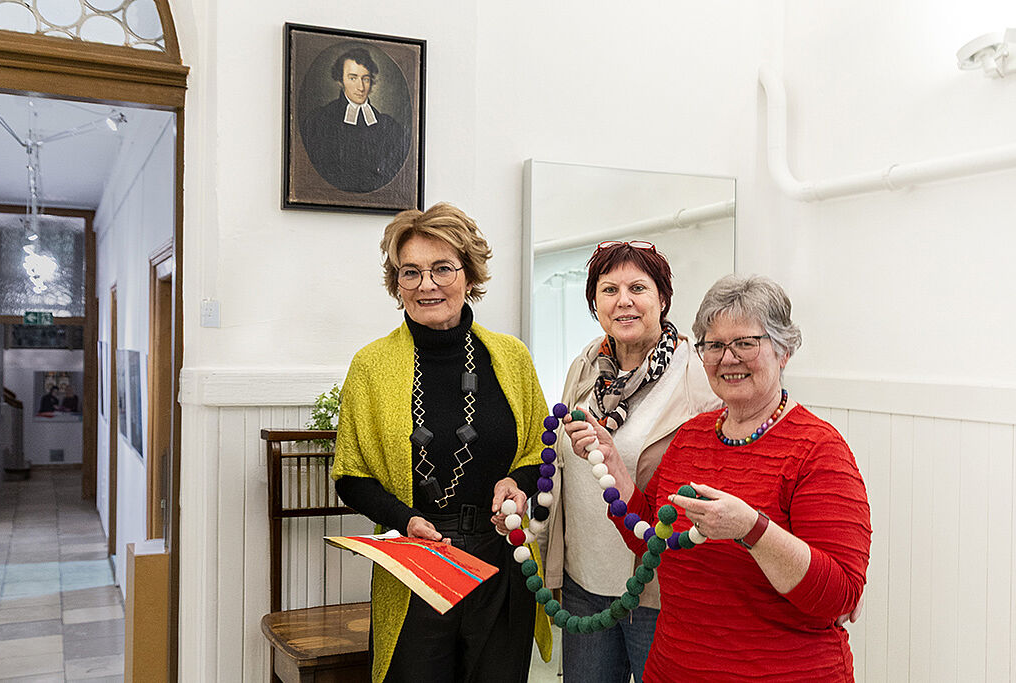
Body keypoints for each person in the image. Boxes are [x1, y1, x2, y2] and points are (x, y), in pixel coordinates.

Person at [564, 274, 871, 682]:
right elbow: (650, 539)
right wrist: (616, 469)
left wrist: (752, 528)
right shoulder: (691, 437)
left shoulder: (818, 450)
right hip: (673, 669)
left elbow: (839, 595)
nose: (728, 358)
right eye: (714, 345)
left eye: (745, 343)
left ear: (783, 351)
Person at [332, 202, 551, 682]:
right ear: (397, 285)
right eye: (410, 272)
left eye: (441, 269)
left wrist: (517, 482)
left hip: (501, 555)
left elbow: (538, 449)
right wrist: (403, 520)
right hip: (418, 561)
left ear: (468, 275)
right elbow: (350, 475)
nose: (426, 284)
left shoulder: (510, 358)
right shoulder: (371, 366)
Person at [540, 240, 720, 682]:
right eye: (608, 289)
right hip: (584, 582)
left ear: (662, 298)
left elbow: (713, 476)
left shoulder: (695, 373)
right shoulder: (586, 365)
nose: (623, 301)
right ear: (594, 303)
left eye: (638, 288)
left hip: (656, 589)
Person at [301, 47, 409, 193]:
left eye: (365, 79)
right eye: (353, 78)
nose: (361, 87)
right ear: (340, 80)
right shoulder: (320, 120)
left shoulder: (389, 127)